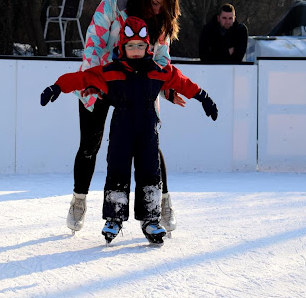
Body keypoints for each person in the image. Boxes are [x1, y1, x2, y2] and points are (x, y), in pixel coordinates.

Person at [41, 17, 218, 244]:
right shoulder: (111, 72)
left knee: (150, 173)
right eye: (131, 45)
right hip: (121, 130)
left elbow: (182, 81)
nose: (136, 50)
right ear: (122, 47)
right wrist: (56, 87)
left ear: (148, 48)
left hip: (147, 131)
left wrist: (203, 98)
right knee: (117, 172)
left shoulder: (158, 71)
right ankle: (114, 219)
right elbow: (83, 78)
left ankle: (151, 220)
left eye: (140, 45)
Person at [65, 0, 184, 236]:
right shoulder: (112, 5)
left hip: (138, 86)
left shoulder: (158, 22)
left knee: (149, 144)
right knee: (89, 144)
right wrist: (95, 80)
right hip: (101, 80)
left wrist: (167, 90)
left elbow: (162, 61)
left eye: (161, 7)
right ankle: (79, 200)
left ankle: (163, 202)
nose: (156, 10)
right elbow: (93, 44)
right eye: (154, 3)